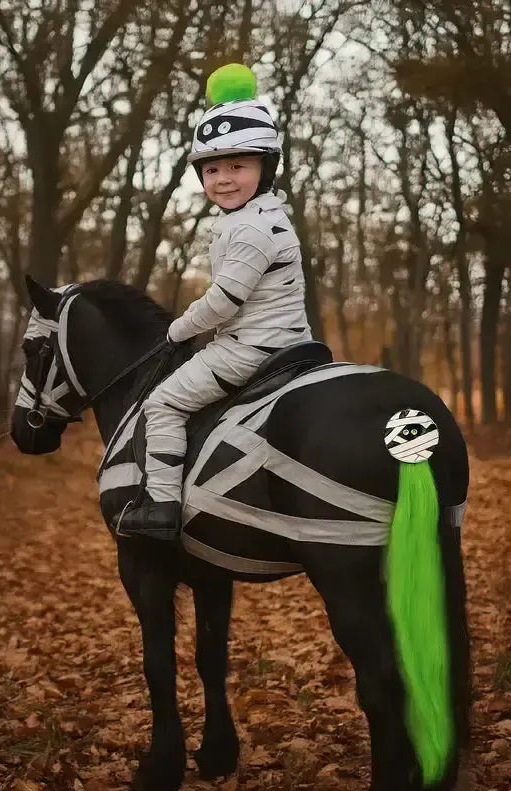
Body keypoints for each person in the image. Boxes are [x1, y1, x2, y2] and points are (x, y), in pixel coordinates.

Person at [114, 63, 312, 539]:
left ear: (265, 168)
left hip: (250, 347)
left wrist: (177, 330)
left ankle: (160, 508)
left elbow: (223, 303)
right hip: (288, 339)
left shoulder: (251, 228)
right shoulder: (261, 216)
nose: (224, 178)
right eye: (213, 168)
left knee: (160, 405)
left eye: (238, 166)